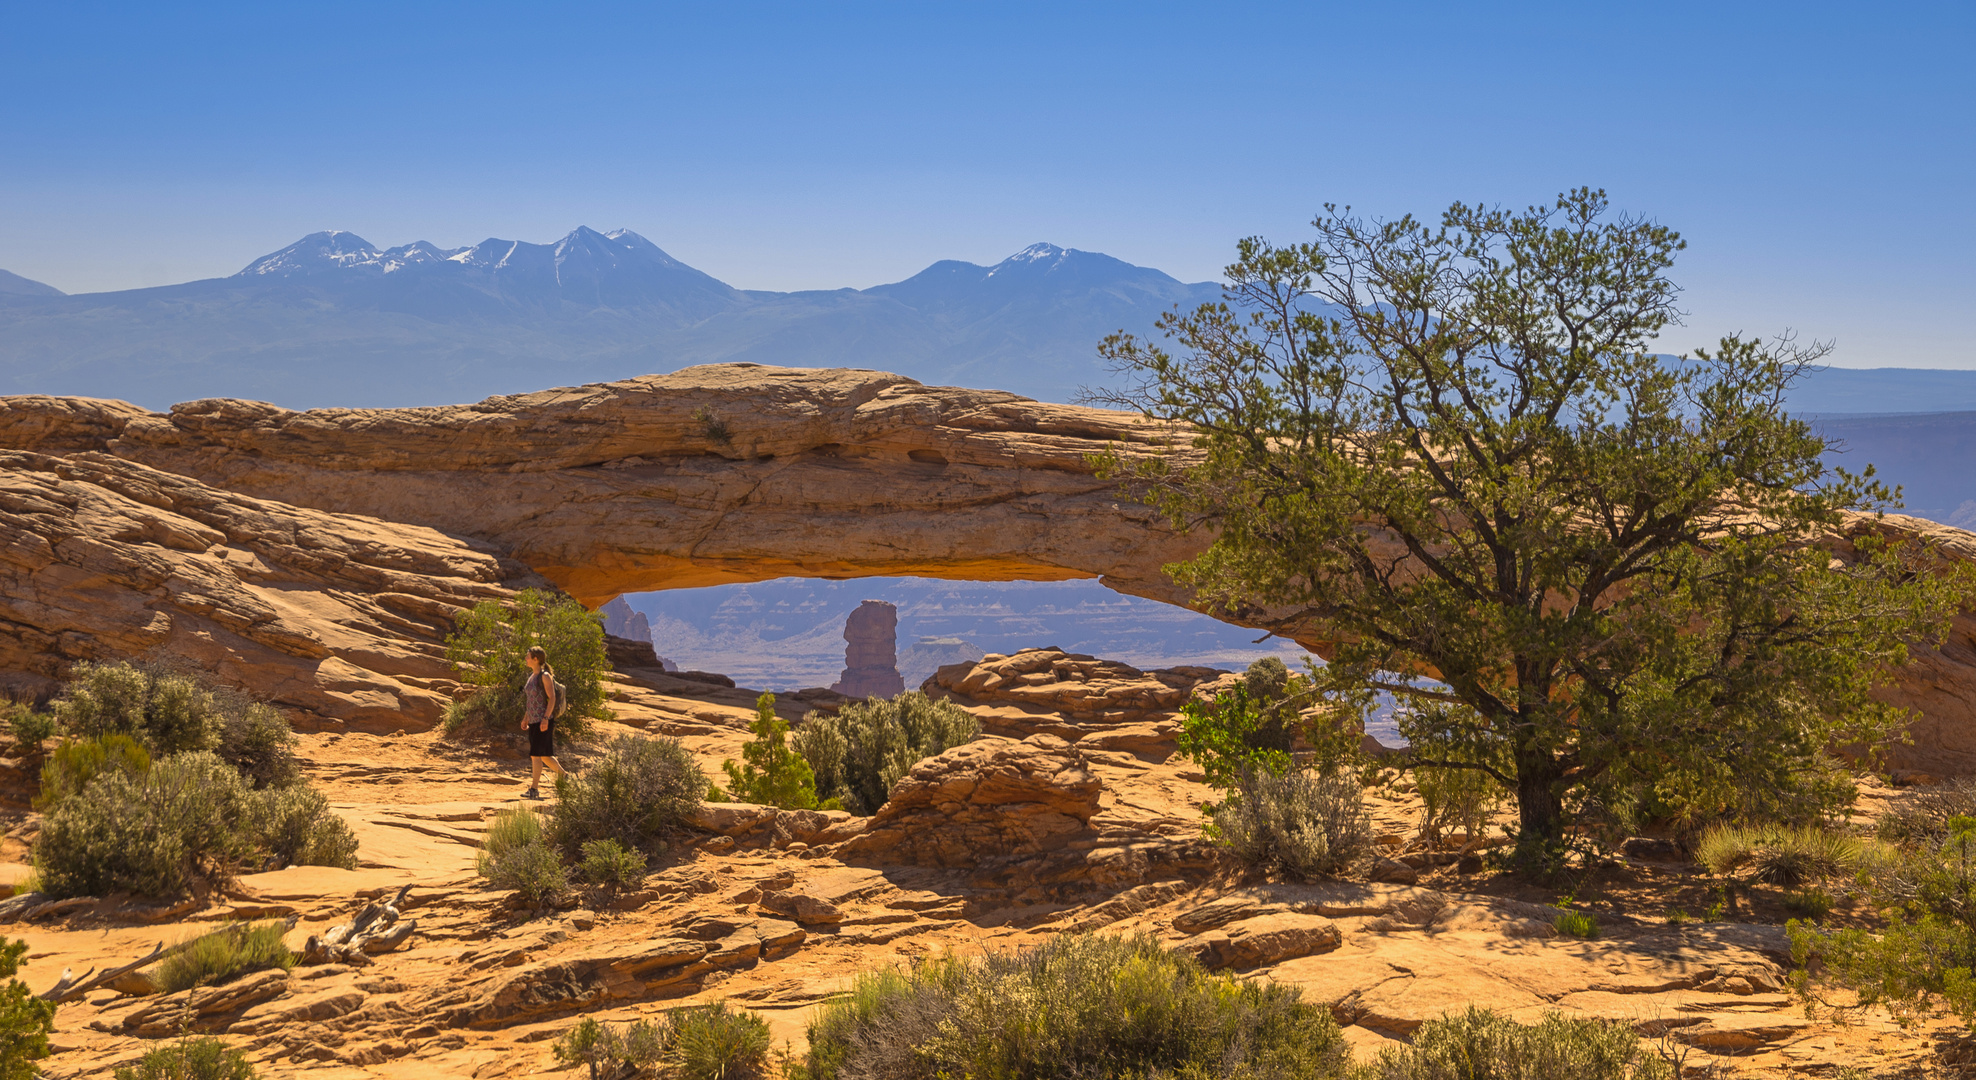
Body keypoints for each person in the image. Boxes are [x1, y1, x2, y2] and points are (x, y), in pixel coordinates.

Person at [521, 645, 569, 798]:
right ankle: (564, 775)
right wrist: (526, 718)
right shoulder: (532, 676)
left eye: (528, 656)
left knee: (537, 755)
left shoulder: (545, 676)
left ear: (536, 659)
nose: (526, 659)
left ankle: (534, 790)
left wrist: (546, 719)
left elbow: (552, 698)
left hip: (543, 720)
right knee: (544, 755)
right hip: (534, 720)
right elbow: (531, 700)